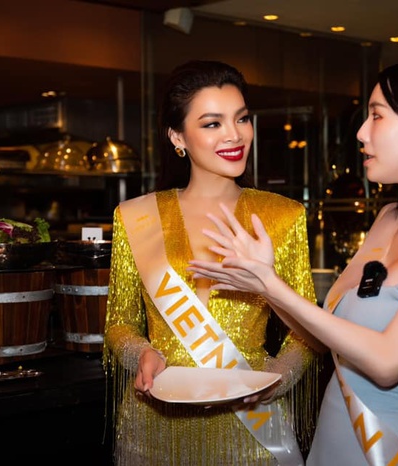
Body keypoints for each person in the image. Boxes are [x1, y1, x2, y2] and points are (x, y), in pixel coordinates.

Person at [187, 58, 398, 466]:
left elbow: (388, 363)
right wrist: (262, 284)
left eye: (377, 116)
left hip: (392, 452)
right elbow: (324, 337)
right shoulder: (388, 218)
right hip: (333, 443)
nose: (361, 132)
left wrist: (272, 285)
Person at [103, 59, 320, 466]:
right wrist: (142, 355)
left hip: (251, 426)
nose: (234, 134)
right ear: (177, 136)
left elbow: (307, 328)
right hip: (154, 425)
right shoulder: (134, 216)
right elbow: (119, 322)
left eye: (242, 118)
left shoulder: (282, 215)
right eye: (212, 123)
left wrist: (277, 380)